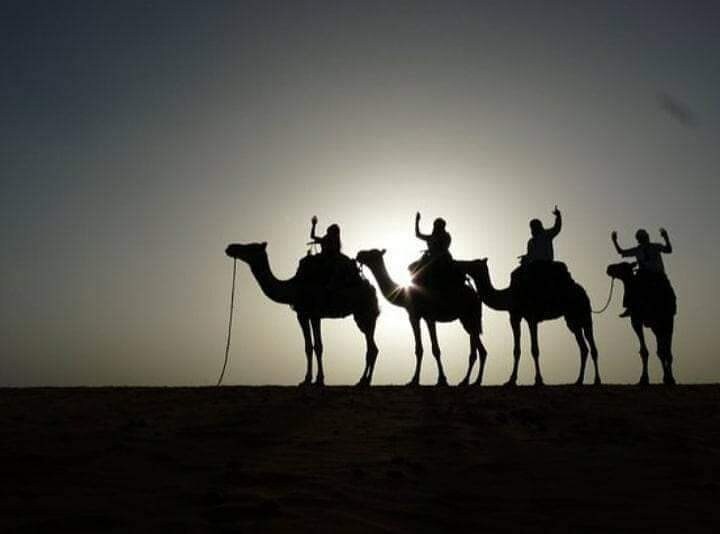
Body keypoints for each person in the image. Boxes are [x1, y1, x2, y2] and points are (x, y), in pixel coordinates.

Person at [612, 228, 673, 317]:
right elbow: (621, 252)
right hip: (646, 275)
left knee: (668, 292)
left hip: (657, 274)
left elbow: (668, 250)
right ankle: (630, 307)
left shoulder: (654, 246)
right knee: (630, 285)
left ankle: (630, 307)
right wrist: (614, 241)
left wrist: (666, 237)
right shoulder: (641, 249)